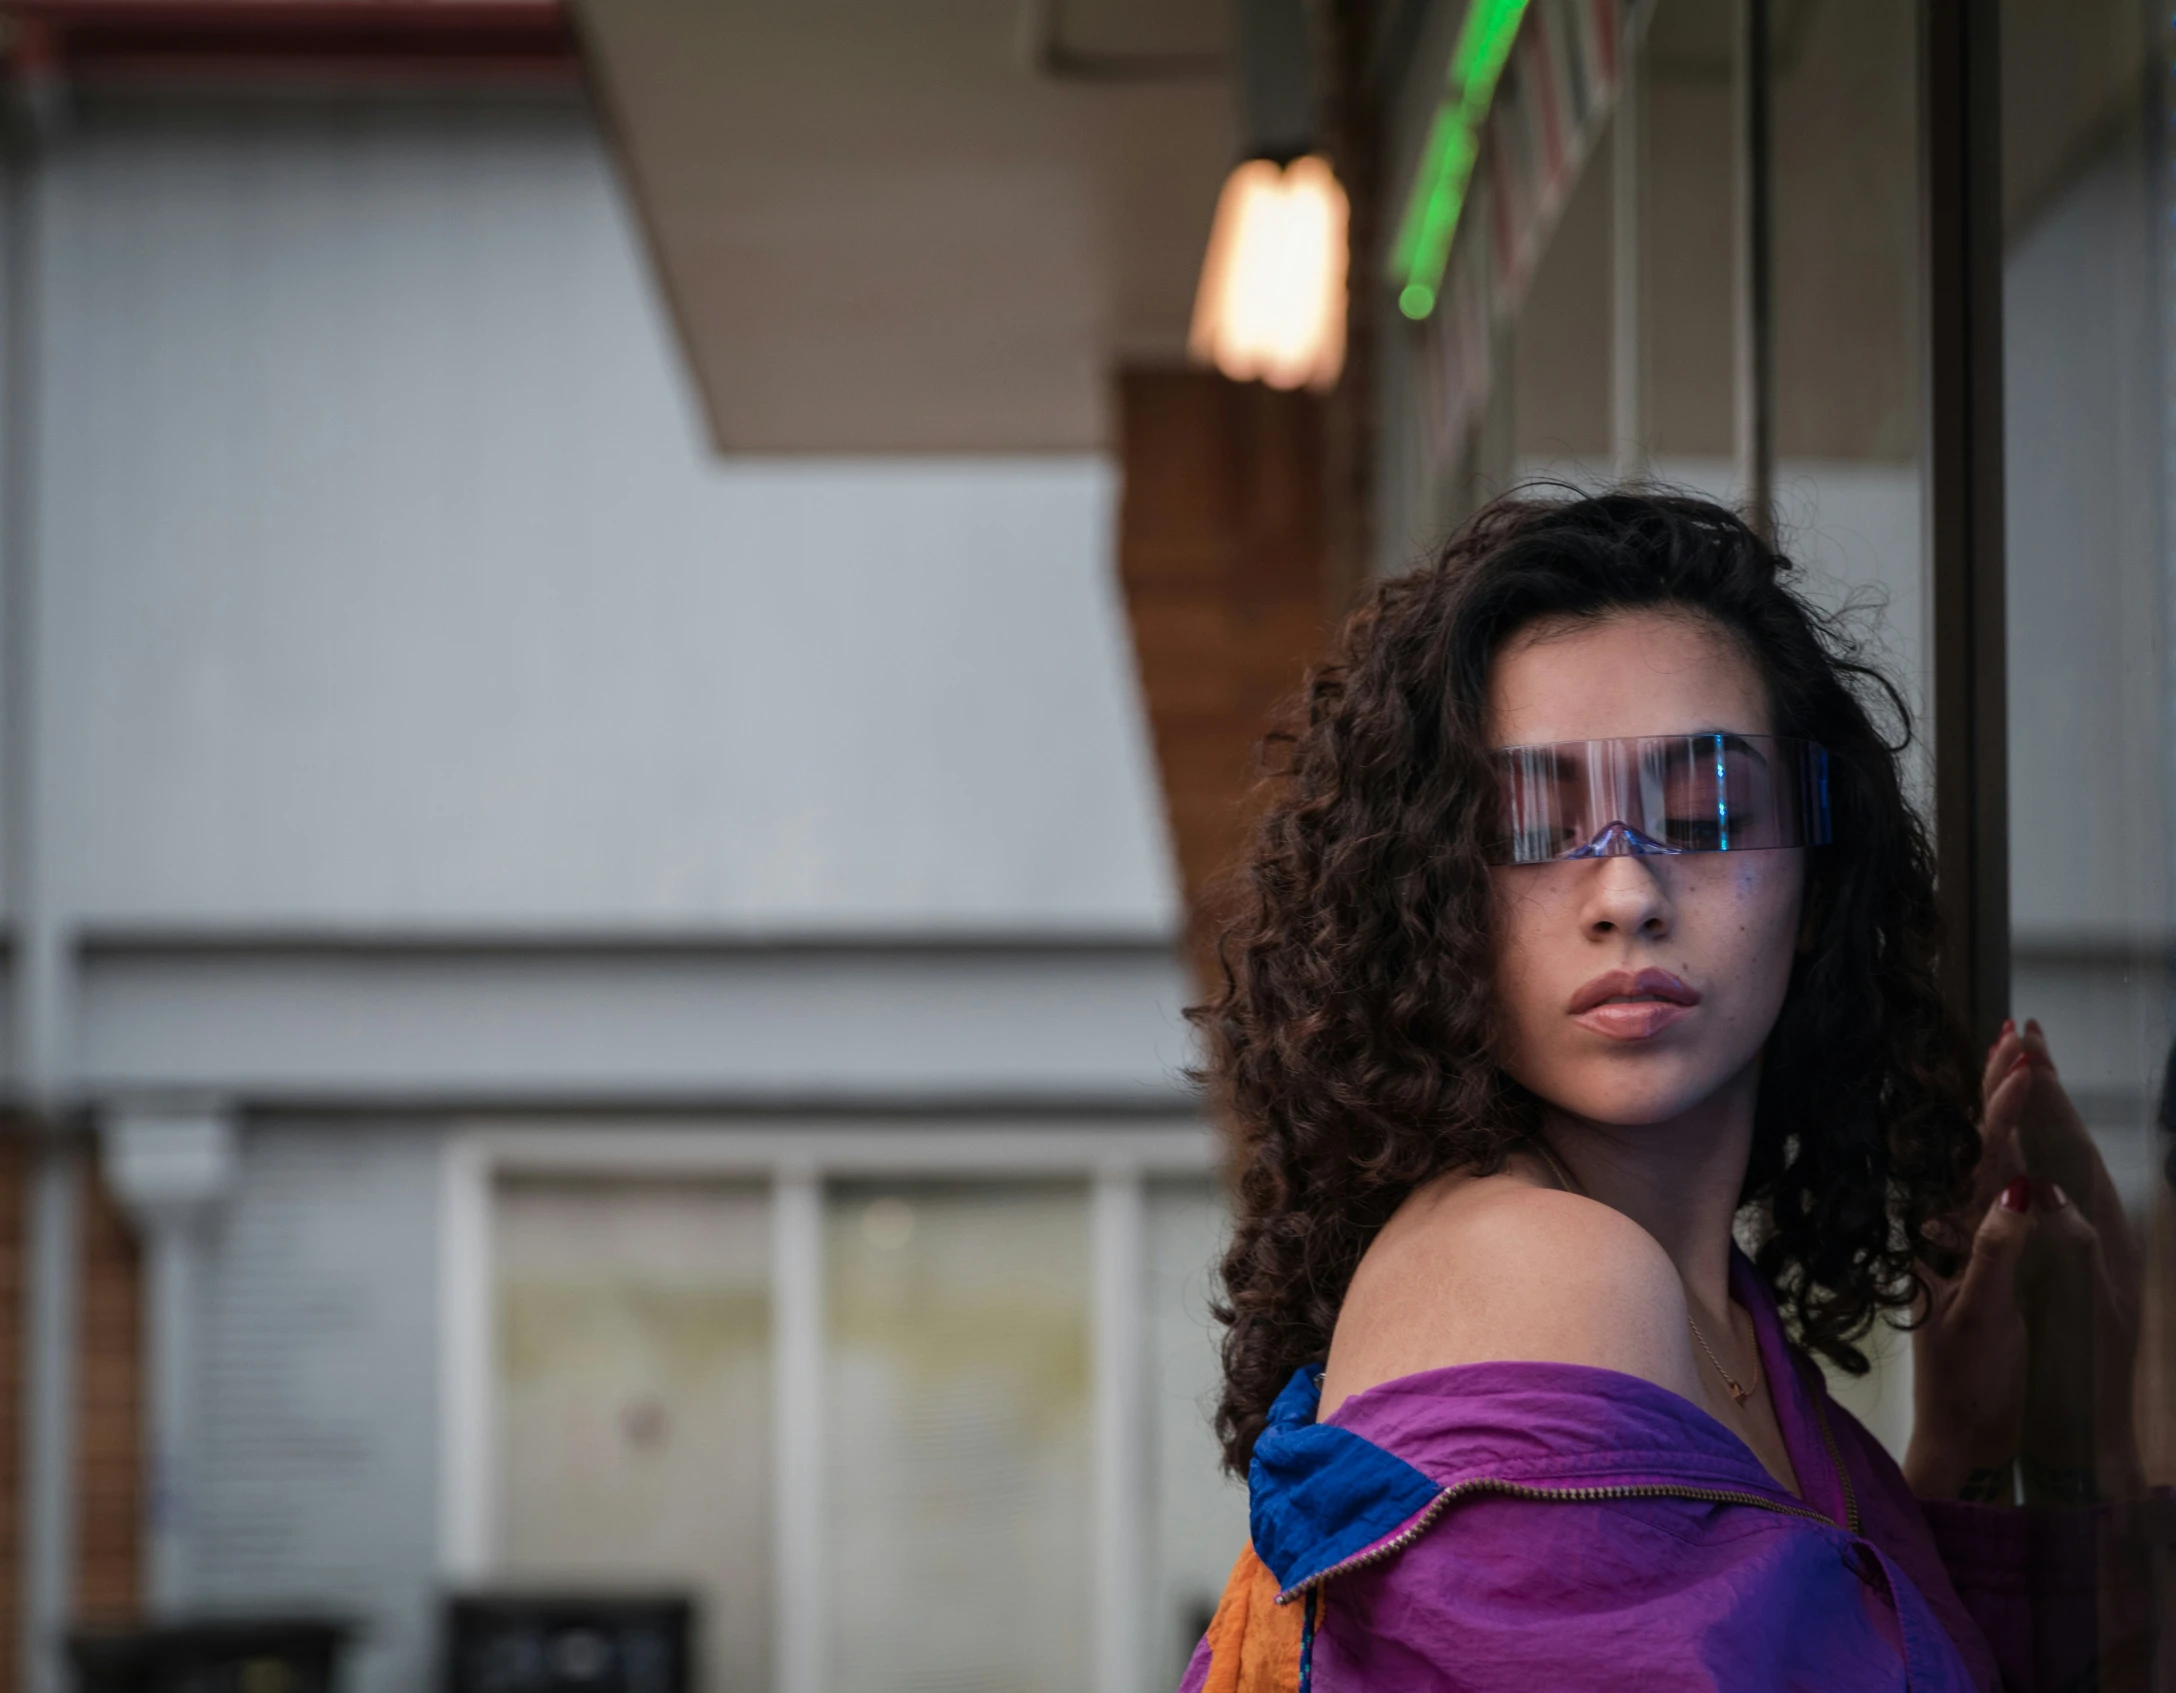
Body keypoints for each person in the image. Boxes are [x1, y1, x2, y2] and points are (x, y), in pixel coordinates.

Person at [1177, 493, 2157, 1692]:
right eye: (1533, 824)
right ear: (1431, 905)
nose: (1627, 888)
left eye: (1704, 813)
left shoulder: (1729, 1327)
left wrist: (1973, 1448)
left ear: (1817, 878)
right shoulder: (1545, 1270)